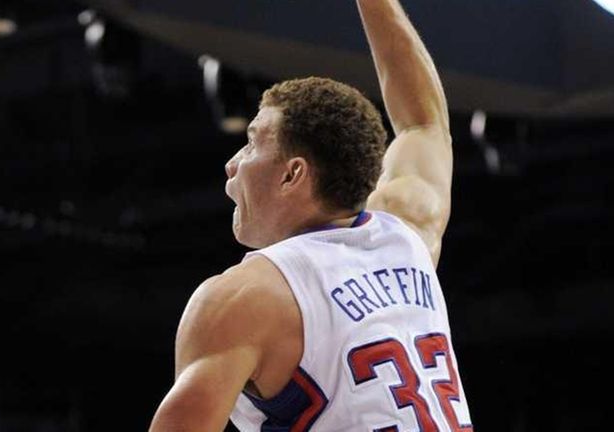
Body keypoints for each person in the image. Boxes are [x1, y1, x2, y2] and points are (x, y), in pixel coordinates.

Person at [150, 0, 473, 430]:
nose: (232, 164)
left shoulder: (246, 297)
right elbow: (422, 124)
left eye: (251, 144)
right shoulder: (406, 234)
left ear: (292, 174)